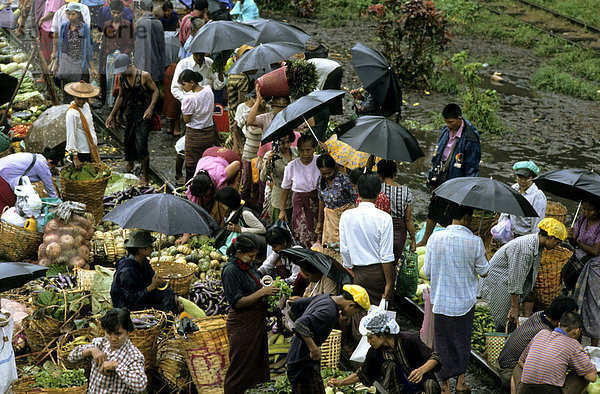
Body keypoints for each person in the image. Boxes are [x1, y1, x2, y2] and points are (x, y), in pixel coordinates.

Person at [423, 204, 489, 394]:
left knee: (442, 343)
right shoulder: (475, 242)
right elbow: (484, 272)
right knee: (461, 342)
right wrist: (483, 244)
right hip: (464, 303)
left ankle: (445, 387)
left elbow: (427, 271)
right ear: (467, 218)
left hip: (441, 301)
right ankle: (460, 384)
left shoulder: (435, 238)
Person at [480, 218, 567, 333]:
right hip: (499, 284)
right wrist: (515, 307)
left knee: (507, 320)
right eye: (557, 242)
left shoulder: (537, 246)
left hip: (505, 283)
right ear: (550, 237)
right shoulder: (525, 248)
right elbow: (515, 279)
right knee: (503, 320)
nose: (557, 245)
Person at [328, 311, 442, 394]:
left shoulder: (408, 340)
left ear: (381, 335)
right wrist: (341, 383)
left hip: (423, 384)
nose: (368, 341)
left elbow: (434, 358)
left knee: (430, 386)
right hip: (400, 388)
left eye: (371, 338)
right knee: (389, 364)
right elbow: (362, 373)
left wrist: (422, 370)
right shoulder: (375, 352)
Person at [339, 173, 395, 340]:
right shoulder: (384, 218)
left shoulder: (346, 216)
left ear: (358, 192)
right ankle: (378, 349)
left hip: (359, 272)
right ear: (379, 193)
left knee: (360, 311)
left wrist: (352, 269)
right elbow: (386, 255)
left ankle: (360, 347)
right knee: (379, 312)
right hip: (380, 273)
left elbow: (345, 250)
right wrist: (389, 282)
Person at [287, 284, 370, 393]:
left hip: (301, 356)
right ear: (351, 305)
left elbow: (297, 304)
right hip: (302, 360)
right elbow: (299, 324)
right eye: (356, 312)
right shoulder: (329, 312)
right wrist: (314, 349)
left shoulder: (325, 297)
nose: (352, 315)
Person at [418, 104, 481, 247]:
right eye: (446, 122)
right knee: (434, 207)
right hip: (441, 172)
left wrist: (467, 188)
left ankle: (451, 243)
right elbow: (438, 153)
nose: (448, 125)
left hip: (458, 177)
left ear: (459, 119)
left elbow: (472, 166)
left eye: (451, 122)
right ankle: (425, 239)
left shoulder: (471, 137)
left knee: (456, 212)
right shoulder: (445, 130)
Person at [222, 234, 278, 393]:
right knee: (240, 364)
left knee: (258, 361)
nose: (254, 259)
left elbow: (257, 280)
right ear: (239, 253)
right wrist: (261, 293)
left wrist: (266, 285)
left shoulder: (249, 265)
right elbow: (237, 302)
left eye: (255, 256)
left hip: (256, 319)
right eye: (251, 256)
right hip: (242, 322)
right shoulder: (230, 271)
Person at [496, 295, 578, 391]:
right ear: (562, 319)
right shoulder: (546, 332)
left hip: (502, 364)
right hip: (509, 372)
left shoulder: (539, 315)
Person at [106, 54, 158, 186]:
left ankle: (145, 176)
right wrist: (112, 114)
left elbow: (155, 91)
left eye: (124, 69)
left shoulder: (144, 76)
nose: (122, 72)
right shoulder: (122, 78)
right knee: (128, 139)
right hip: (131, 110)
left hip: (143, 111)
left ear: (130, 65)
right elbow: (121, 97)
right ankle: (130, 161)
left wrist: (151, 108)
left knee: (141, 143)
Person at [68, 308, 147, 393]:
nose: (113, 339)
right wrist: (91, 350)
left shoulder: (133, 355)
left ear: (128, 331)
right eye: (109, 333)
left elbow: (140, 385)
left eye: (118, 334)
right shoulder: (99, 343)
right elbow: (71, 357)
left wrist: (116, 366)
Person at [517, 311, 597, 394]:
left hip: (525, 389)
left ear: (559, 324)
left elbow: (521, 361)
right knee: (584, 375)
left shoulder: (541, 333)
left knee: (517, 368)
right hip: (549, 391)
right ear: (577, 331)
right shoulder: (574, 344)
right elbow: (592, 377)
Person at [110, 230, 182, 314]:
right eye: (149, 245)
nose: (152, 248)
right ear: (141, 249)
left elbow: (153, 278)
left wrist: (174, 296)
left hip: (142, 295)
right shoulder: (127, 270)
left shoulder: (143, 261)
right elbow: (130, 299)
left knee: (168, 294)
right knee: (166, 298)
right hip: (127, 306)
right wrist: (151, 287)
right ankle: (165, 321)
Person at [180, 152, 241, 238]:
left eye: (205, 194)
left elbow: (237, 164)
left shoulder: (220, 176)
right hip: (206, 158)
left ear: (211, 186)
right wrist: (186, 234)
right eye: (201, 196)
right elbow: (191, 210)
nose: (204, 198)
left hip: (225, 156)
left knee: (220, 204)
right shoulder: (193, 188)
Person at [279, 135, 320, 247]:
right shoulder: (292, 166)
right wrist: (282, 210)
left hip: (317, 200)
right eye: (302, 150)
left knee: (317, 228)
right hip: (300, 201)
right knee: (302, 230)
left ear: (314, 149)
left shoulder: (319, 161)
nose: (305, 154)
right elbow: (285, 189)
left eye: (308, 150)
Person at [53, 2, 98, 103]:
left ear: (78, 14)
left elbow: (89, 49)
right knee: (68, 90)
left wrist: (93, 68)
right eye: (69, 14)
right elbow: (60, 46)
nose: (70, 16)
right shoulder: (64, 27)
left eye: (73, 14)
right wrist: (56, 63)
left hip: (80, 63)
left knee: (81, 92)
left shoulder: (84, 28)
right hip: (67, 63)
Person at [176, 70, 217, 181]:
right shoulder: (208, 90)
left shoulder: (189, 99)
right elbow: (212, 108)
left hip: (195, 135)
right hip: (208, 133)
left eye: (183, 84)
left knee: (191, 164)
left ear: (192, 82)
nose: (182, 87)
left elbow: (187, 120)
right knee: (205, 162)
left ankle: (191, 188)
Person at [571, 199, 600, 347]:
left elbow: (595, 251)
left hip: (595, 268)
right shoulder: (582, 219)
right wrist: (571, 236)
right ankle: (577, 344)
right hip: (580, 264)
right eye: (584, 209)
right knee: (578, 304)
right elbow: (574, 238)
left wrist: (577, 243)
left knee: (594, 305)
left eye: (590, 210)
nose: (586, 213)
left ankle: (595, 347)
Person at [377, 159, 416, 260]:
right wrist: (413, 239)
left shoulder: (377, 189)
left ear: (379, 175)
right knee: (393, 263)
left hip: (381, 229)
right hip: (399, 232)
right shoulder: (406, 191)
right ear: (395, 174)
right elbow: (408, 218)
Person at [498, 161, 547, 238]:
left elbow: (536, 224)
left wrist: (532, 241)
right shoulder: (514, 188)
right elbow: (505, 212)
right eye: (520, 177)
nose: (523, 181)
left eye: (527, 178)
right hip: (510, 232)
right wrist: (499, 229)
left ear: (533, 178)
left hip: (525, 236)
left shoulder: (537, 196)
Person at [99, 0, 133, 108]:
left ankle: (120, 106)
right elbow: (104, 44)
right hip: (110, 59)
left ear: (122, 12)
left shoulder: (128, 26)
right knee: (109, 82)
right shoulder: (107, 25)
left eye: (118, 13)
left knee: (121, 83)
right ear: (110, 11)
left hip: (122, 59)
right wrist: (103, 62)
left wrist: (123, 55)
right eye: (114, 12)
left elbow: (131, 45)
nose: (116, 15)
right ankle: (110, 104)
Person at [316, 154, 356, 244]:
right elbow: (321, 201)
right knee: (329, 245)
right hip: (330, 220)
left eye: (329, 172)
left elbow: (354, 198)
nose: (326, 176)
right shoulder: (320, 181)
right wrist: (319, 222)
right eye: (324, 173)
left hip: (346, 217)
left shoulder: (343, 179)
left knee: (345, 243)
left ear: (334, 168)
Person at [260, 131, 299, 222]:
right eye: (282, 142)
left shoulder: (296, 152)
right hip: (279, 196)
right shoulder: (271, 155)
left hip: (295, 195)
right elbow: (263, 177)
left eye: (288, 142)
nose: (285, 145)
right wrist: (268, 163)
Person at [215, 186, 266, 253]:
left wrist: (240, 229)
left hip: (260, 240)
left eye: (223, 204)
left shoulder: (245, 213)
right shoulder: (234, 211)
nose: (222, 206)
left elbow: (262, 230)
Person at [237, 91, 265, 201]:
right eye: (255, 98)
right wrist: (240, 145)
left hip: (262, 155)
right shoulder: (248, 114)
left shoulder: (268, 113)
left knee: (260, 182)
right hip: (249, 153)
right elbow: (236, 128)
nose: (259, 101)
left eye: (262, 98)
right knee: (246, 182)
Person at [64, 80, 100, 168]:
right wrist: (75, 157)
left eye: (84, 99)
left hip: (90, 148)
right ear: (74, 97)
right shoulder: (72, 113)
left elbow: (90, 126)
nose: (81, 101)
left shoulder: (86, 106)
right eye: (78, 98)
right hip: (81, 151)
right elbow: (71, 134)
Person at [133, 0, 166, 83]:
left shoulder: (140, 23)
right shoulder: (159, 23)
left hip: (144, 69)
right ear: (152, 9)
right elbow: (162, 48)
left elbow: (140, 50)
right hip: (157, 67)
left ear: (140, 8)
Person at [227, 45, 253, 145]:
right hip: (238, 115)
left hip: (232, 110)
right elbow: (243, 104)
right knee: (237, 140)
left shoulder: (233, 72)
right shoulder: (242, 78)